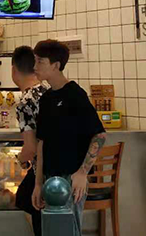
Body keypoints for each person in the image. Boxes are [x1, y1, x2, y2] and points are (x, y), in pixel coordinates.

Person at [31, 40, 106, 236]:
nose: (34, 67)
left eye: (40, 62)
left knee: (70, 230)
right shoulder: (46, 99)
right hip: (49, 178)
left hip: (71, 178)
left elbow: (99, 135)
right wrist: (38, 184)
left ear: (56, 65)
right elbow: (41, 143)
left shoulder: (75, 95)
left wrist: (82, 173)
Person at [11, 46, 49, 236]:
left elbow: (31, 149)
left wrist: (18, 160)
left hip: (44, 171)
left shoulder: (25, 102)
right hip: (63, 169)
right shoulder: (48, 91)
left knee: (26, 200)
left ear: (13, 70)